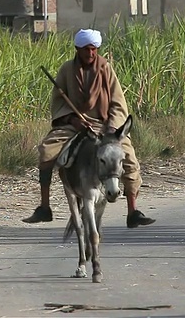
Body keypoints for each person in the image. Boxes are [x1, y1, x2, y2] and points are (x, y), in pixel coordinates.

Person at [22, 29, 156, 228]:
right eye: (86, 50)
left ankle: (132, 210)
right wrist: (72, 119)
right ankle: (44, 207)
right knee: (46, 150)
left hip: (106, 125)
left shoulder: (106, 69)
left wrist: (112, 127)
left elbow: (118, 103)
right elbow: (58, 102)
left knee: (128, 158)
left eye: (94, 50)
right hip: (75, 124)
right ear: (77, 49)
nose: (90, 54)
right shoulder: (67, 70)